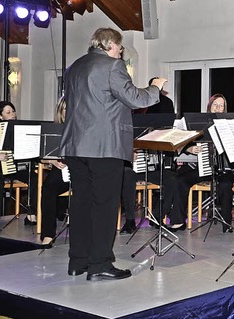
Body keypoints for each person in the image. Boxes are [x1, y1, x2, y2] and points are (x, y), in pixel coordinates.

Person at [59, 27, 166, 281]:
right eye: (119, 48)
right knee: (105, 206)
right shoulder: (111, 66)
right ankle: (100, 264)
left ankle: (78, 260)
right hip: (104, 147)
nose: (121, 52)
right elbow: (135, 99)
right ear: (109, 45)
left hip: (76, 146)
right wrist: (154, 88)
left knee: (81, 203)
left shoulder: (73, 67)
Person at [168, 93, 234, 233]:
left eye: (221, 106)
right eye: (215, 105)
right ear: (209, 107)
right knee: (180, 180)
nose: (218, 108)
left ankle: (226, 221)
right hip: (203, 166)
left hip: (224, 168)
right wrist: (190, 148)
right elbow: (183, 144)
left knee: (225, 184)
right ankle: (178, 221)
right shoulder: (199, 123)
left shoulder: (230, 124)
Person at [0, 101, 38, 230]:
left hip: (14, 167)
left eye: (13, 111)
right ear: (0, 116)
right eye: (8, 112)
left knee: (34, 178)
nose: (12, 114)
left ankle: (31, 214)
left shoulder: (20, 131)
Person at [39, 97, 70, 246]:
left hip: (81, 168)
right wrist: (51, 160)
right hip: (61, 168)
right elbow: (41, 156)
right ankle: (48, 234)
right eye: (66, 109)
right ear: (60, 112)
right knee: (48, 188)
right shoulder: (53, 129)